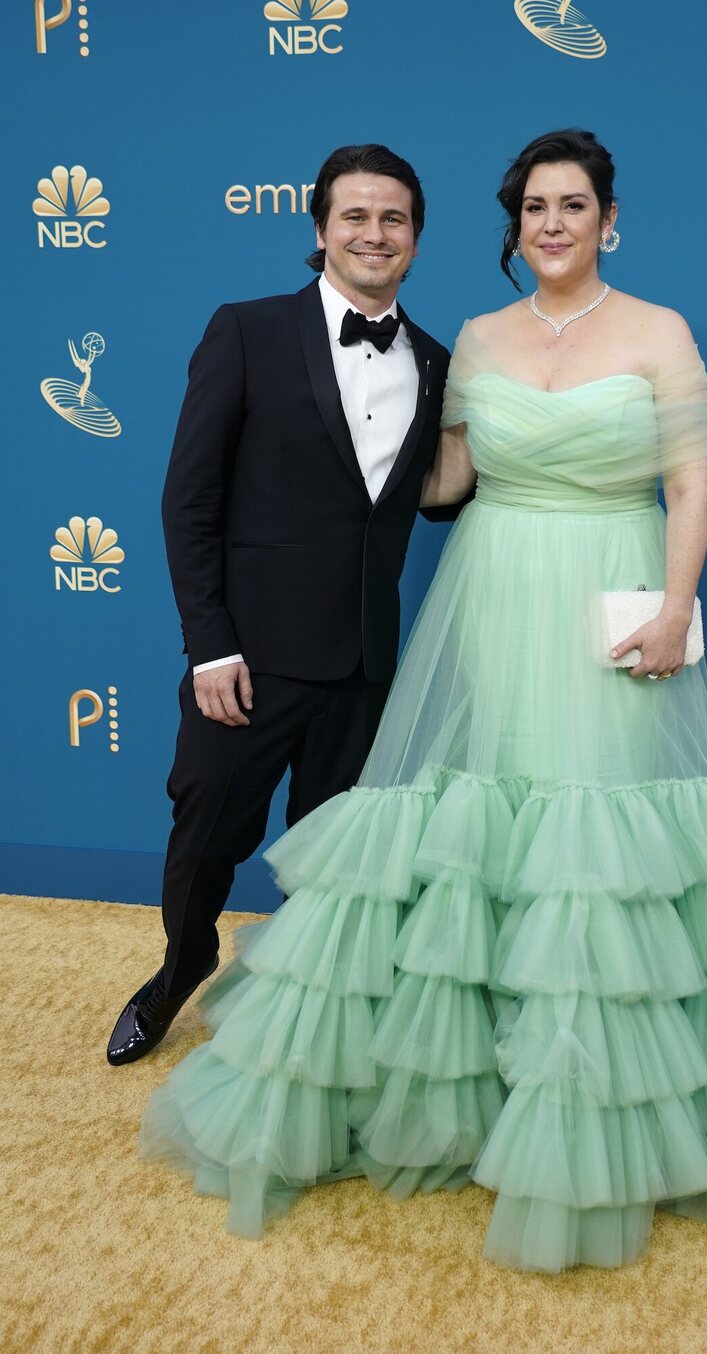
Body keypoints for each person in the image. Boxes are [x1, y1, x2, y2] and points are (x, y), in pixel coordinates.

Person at [138, 130, 707, 1271]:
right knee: (479, 833)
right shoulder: (478, 344)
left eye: (573, 204)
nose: (552, 222)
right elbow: (448, 478)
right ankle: (447, 1082)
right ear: (514, 228)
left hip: (614, 593)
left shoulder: (660, 331)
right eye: (534, 207)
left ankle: (600, 1108)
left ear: (610, 220)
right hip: (492, 594)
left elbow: (690, 483)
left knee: (599, 843)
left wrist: (675, 604)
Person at [107, 144, 455, 1066]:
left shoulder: (437, 359)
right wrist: (209, 645)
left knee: (333, 867)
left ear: (416, 239)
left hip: (365, 668)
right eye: (355, 216)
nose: (374, 234)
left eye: (393, 219)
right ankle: (178, 971)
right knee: (204, 837)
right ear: (320, 229)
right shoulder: (248, 330)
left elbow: (441, 494)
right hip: (248, 660)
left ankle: (309, 1027)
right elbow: (190, 502)